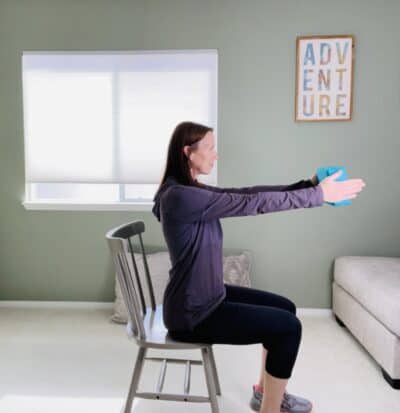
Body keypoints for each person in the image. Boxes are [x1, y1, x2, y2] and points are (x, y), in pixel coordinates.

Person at [151, 121, 365, 413]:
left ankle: (264, 394)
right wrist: (318, 196)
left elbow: (248, 193)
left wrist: (310, 185)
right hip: (193, 312)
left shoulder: (188, 190)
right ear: (188, 152)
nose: (216, 154)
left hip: (205, 295)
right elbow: (253, 203)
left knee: (286, 308)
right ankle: (271, 409)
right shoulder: (180, 197)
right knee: (288, 329)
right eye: (211, 148)